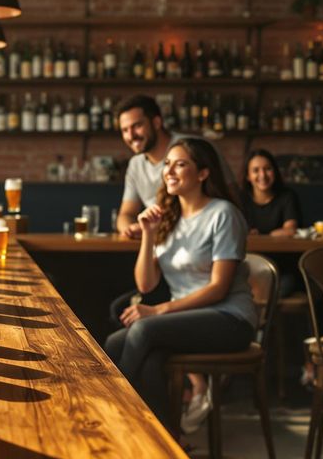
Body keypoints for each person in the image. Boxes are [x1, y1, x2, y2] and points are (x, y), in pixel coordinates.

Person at [103, 137, 257, 432]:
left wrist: (160, 311)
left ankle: (111, 413)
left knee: (144, 329)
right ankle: (166, 440)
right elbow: (146, 285)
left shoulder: (222, 214)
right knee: (123, 346)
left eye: (180, 164)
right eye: (167, 165)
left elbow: (219, 288)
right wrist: (148, 234)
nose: (169, 171)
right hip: (186, 318)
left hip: (230, 319)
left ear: (203, 173)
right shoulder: (169, 217)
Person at [115, 95, 180, 239]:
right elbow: (125, 214)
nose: (131, 136)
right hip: (158, 243)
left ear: (156, 122)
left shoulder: (188, 149)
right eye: (125, 130)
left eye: (137, 126)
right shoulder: (135, 164)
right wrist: (131, 229)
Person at [241, 148, 301, 237]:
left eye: (267, 169)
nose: (263, 175)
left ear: (275, 172)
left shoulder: (287, 196)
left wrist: (262, 236)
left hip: (283, 249)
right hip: (248, 250)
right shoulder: (240, 198)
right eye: (256, 170)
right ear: (248, 176)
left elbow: (290, 230)